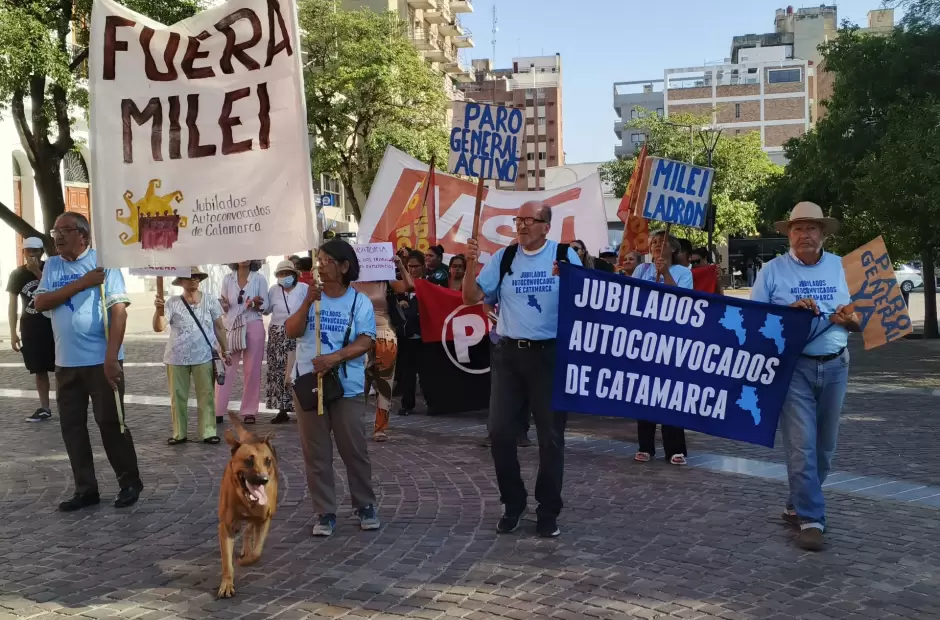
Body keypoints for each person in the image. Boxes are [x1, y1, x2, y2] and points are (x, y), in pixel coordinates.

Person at [463, 200, 582, 538]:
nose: (522, 225)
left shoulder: (563, 256)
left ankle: (548, 510)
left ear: (546, 226)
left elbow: (585, 298)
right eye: (518, 220)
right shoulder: (505, 257)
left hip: (550, 357)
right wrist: (471, 264)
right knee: (499, 432)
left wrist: (570, 280)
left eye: (530, 220)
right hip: (509, 356)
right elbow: (470, 297)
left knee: (551, 439)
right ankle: (513, 503)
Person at [751, 202, 859, 552]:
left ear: (824, 233)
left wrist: (852, 321)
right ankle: (812, 519)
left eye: (811, 228)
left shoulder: (846, 268)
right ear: (788, 235)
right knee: (801, 446)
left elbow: (866, 320)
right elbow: (755, 323)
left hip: (836, 365)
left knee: (824, 449)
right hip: (793, 368)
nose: (804, 235)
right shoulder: (771, 271)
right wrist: (787, 315)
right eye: (797, 228)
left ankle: (798, 501)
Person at [34, 212, 142, 511]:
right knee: (72, 427)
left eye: (64, 230)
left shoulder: (103, 263)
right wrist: (81, 284)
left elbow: (119, 312)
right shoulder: (53, 265)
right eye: (54, 230)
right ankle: (86, 489)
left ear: (83, 235)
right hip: (66, 363)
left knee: (110, 423)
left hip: (100, 361)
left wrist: (111, 357)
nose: (56, 236)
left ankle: (129, 482)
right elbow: (41, 302)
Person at [286, 239, 380, 537]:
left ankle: (364, 504)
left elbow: (366, 341)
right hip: (309, 385)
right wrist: (306, 303)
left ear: (344, 266)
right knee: (316, 452)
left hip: (346, 387)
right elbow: (291, 330)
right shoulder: (306, 294)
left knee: (354, 450)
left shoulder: (359, 301)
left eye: (327, 260)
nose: (319, 265)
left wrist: (333, 358)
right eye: (319, 259)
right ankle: (325, 511)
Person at [631, 230, 693, 466]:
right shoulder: (641, 270)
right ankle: (645, 446)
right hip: (644, 339)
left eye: (662, 242)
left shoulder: (683, 272)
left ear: (673, 249)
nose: (657, 244)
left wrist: (665, 273)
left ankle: (675, 448)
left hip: (671, 341)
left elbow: (681, 299)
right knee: (645, 392)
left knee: (671, 393)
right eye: (654, 242)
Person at [153, 267, 228, 445]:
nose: (193, 280)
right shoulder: (171, 302)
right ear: (181, 281)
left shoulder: (209, 300)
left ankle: (208, 432)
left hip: (203, 355)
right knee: (177, 396)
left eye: (196, 277)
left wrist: (226, 349)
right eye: (189, 277)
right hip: (176, 357)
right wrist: (158, 311)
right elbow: (159, 327)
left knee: (207, 395)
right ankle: (179, 433)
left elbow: (219, 326)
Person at [353, 253, 415, 442]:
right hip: (358, 334)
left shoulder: (385, 280)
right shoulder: (351, 282)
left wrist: (400, 266)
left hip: (383, 331)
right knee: (358, 382)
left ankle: (380, 427)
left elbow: (410, 286)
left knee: (384, 381)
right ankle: (354, 425)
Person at [6, 237, 56, 422]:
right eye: (29, 251)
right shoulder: (17, 274)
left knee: (61, 367)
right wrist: (13, 332)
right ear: (24, 253)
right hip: (30, 326)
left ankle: (68, 405)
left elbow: (53, 291)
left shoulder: (51, 268)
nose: (32, 255)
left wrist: (36, 271)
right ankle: (45, 408)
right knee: (38, 369)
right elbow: (12, 305)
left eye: (36, 251)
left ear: (41, 252)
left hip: (52, 325)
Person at [216, 260, 268, 424]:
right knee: (226, 366)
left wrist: (257, 303)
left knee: (252, 369)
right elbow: (224, 305)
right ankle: (217, 408)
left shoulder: (259, 279)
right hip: (231, 325)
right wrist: (223, 304)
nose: (244, 258)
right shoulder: (227, 279)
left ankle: (249, 410)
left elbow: (265, 306)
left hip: (253, 322)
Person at [265, 260, 308, 424]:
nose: (284, 277)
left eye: (287, 274)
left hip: (298, 332)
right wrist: (257, 304)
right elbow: (266, 309)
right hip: (277, 333)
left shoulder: (304, 288)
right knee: (277, 372)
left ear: (294, 275)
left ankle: (299, 408)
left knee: (298, 370)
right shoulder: (273, 290)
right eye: (281, 274)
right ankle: (281, 409)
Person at [395, 250, 426, 416]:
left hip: (424, 335)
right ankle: (407, 404)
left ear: (423, 267)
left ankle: (432, 402)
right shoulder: (400, 285)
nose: (413, 270)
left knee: (426, 371)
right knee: (408, 372)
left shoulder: (428, 284)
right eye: (410, 267)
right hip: (406, 335)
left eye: (416, 266)